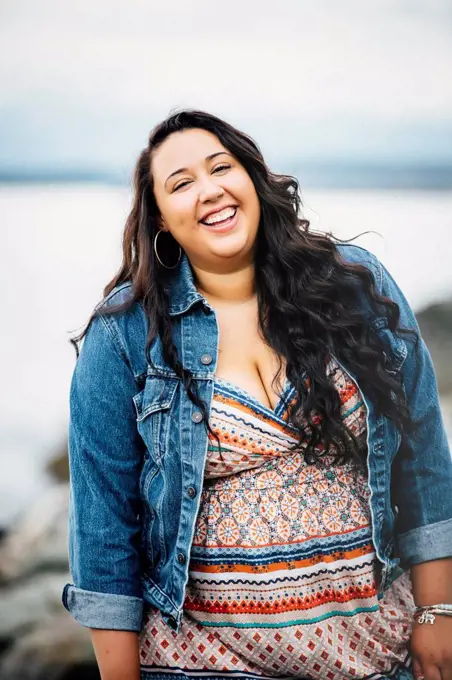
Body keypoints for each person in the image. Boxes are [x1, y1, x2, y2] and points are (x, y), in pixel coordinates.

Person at [62, 109, 452, 680]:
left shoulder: (354, 285)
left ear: (253, 179)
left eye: (222, 167)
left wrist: (437, 609)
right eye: (181, 182)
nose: (210, 189)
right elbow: (103, 524)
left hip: (380, 653)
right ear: (162, 220)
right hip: (203, 662)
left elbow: (422, 451)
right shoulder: (124, 334)